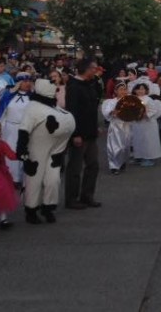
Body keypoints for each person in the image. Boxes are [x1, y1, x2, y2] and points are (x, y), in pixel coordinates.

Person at [17, 79, 76, 224]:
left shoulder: (53, 105)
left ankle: (48, 207)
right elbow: (24, 129)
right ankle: (31, 209)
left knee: (53, 179)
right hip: (37, 149)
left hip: (56, 148)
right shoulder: (33, 107)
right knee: (34, 179)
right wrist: (22, 148)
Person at [65, 58, 102, 209]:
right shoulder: (74, 87)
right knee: (75, 168)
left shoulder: (90, 85)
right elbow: (72, 112)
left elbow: (92, 109)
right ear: (86, 69)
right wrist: (75, 134)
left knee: (93, 165)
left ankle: (87, 195)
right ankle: (71, 199)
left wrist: (95, 127)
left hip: (91, 133)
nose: (96, 71)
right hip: (79, 134)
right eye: (93, 68)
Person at [0, 72, 33, 188]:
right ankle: (11, 178)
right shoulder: (9, 95)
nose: (27, 83)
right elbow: (2, 112)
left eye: (29, 81)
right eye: (24, 81)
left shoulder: (33, 97)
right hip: (10, 129)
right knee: (10, 154)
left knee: (24, 153)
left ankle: (23, 178)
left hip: (26, 129)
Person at [130, 82, 161, 166]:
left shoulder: (148, 99)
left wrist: (145, 114)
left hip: (148, 124)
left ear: (146, 90)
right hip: (137, 124)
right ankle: (139, 157)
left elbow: (153, 110)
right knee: (138, 141)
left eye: (142, 89)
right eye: (138, 89)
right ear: (135, 90)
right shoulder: (133, 99)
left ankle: (149, 158)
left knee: (148, 141)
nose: (140, 91)